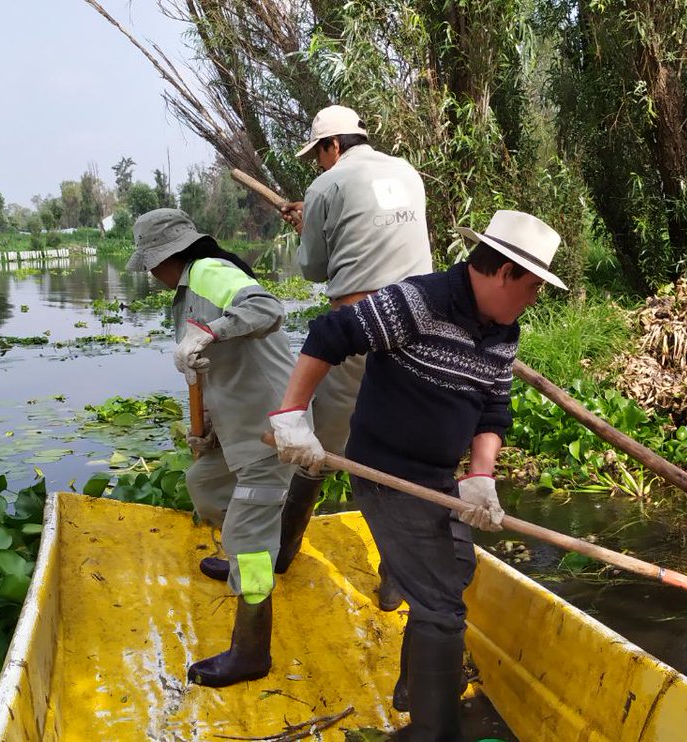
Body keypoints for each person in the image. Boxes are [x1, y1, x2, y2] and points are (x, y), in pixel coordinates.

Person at [269, 210, 565, 739]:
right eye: (534, 287)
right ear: (504, 273)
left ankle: (412, 688)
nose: (534, 299)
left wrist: (481, 477)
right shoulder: (417, 301)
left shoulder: (503, 333)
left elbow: (493, 408)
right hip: (383, 472)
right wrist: (292, 415)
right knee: (441, 607)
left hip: (438, 479)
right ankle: (432, 731)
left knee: (455, 569)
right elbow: (330, 333)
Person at [201, 104, 432, 611]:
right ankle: (396, 576)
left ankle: (279, 551)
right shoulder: (406, 171)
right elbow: (377, 235)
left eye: (319, 156)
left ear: (332, 146)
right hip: (418, 326)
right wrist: (315, 219)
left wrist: (308, 224)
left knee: (316, 447)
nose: (319, 165)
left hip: (361, 326)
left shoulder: (326, 186)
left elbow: (313, 267)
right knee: (399, 450)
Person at [126, 208, 298, 688]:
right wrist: (201, 430)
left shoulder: (211, 272)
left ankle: (251, 652)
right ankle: (246, 550)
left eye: (149, 262)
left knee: (250, 540)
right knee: (203, 485)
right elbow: (203, 372)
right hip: (232, 424)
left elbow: (266, 308)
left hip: (270, 425)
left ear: (168, 255)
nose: (149, 273)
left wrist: (212, 331)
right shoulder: (185, 295)